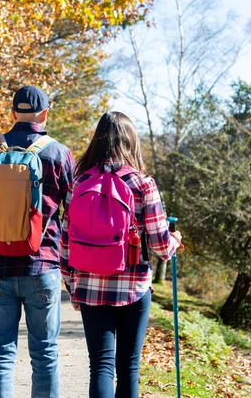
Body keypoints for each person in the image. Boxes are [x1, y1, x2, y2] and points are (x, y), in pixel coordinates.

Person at [0, 85, 75, 398]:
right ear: (45, 114)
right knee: (46, 354)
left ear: (12, 114)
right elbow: (73, 218)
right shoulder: (59, 153)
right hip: (42, 267)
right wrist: (73, 272)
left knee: (0, 355)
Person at [60, 111, 183, 398]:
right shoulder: (142, 184)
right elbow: (162, 248)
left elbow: (65, 243)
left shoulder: (78, 184)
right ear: (131, 142)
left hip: (89, 286)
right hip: (133, 287)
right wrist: (174, 239)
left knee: (100, 366)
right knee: (129, 367)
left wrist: (73, 288)